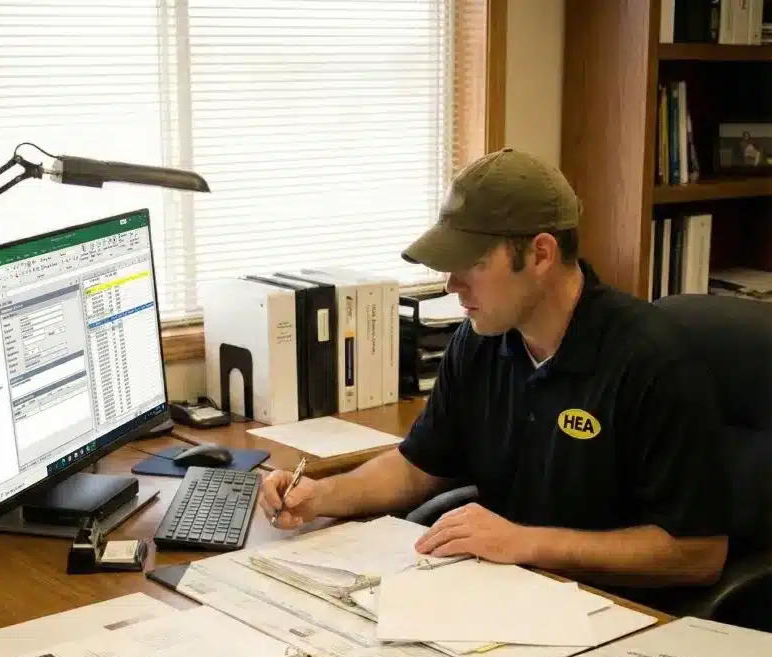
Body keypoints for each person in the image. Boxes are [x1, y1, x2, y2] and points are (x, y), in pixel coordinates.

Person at [259, 148, 728, 597]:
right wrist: (322, 496)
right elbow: (418, 466)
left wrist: (526, 542)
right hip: (505, 594)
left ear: (541, 255)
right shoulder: (482, 337)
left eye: (474, 265)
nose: (452, 285)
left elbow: (699, 553)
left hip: (614, 614)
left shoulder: (652, 361)